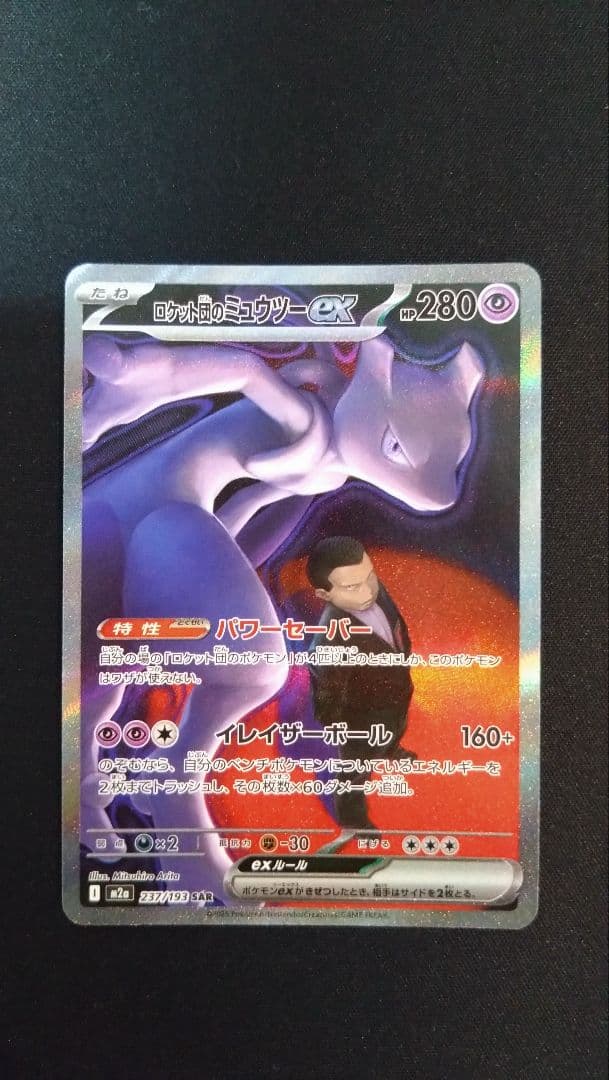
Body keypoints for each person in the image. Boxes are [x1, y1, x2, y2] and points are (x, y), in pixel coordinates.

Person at [306, 536, 416, 831]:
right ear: (324, 594)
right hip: (361, 718)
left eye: (370, 577)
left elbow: (397, 625)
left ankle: (390, 749)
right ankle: (352, 818)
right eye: (352, 587)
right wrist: (342, 726)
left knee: (395, 729)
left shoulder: (377, 592)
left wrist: (403, 656)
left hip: (396, 694)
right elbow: (326, 689)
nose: (368, 591)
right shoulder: (329, 638)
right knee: (355, 769)